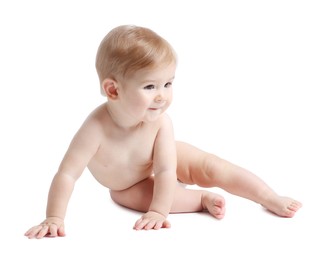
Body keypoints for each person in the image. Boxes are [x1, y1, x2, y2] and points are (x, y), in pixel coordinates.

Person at [24, 25, 302, 239]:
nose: (162, 96)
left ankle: (269, 197)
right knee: (141, 198)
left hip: (161, 157)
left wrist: (159, 211)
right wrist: (54, 218)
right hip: (126, 186)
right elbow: (67, 174)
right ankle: (200, 200)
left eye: (168, 84)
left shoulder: (160, 122)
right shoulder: (95, 128)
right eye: (150, 87)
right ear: (113, 90)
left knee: (210, 166)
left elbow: (167, 170)